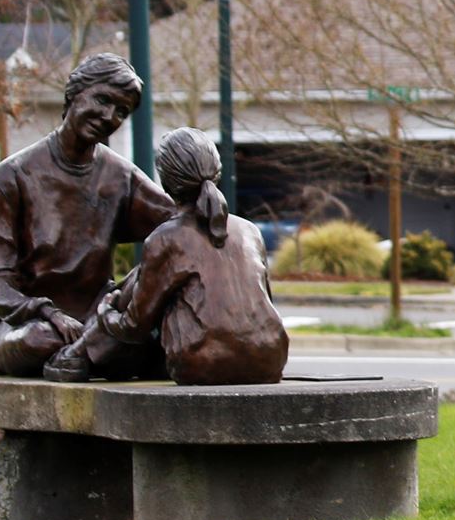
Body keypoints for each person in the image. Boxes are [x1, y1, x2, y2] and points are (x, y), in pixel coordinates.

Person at [0, 54, 176, 378]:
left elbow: (179, 227)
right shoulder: (10, 178)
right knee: (41, 340)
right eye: (102, 100)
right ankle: (93, 356)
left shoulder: (120, 177)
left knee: (168, 345)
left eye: (121, 111)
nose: (109, 116)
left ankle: (83, 356)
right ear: (75, 92)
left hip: (98, 324)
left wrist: (205, 192)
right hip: (25, 327)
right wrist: (48, 313)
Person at [44, 128, 288, 386]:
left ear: (166, 182)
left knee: (138, 279)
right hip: (270, 359)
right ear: (216, 174)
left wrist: (105, 312)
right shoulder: (250, 231)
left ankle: (77, 354)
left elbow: (133, 327)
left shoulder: (166, 239)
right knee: (142, 277)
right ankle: (78, 354)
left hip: (201, 363)